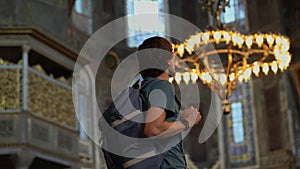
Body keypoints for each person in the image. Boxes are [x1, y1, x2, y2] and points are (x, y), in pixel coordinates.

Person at [137, 36, 202, 169]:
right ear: (167, 60)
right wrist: (186, 122)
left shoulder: (143, 87)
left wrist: (179, 118)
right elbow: (153, 129)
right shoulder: (161, 86)